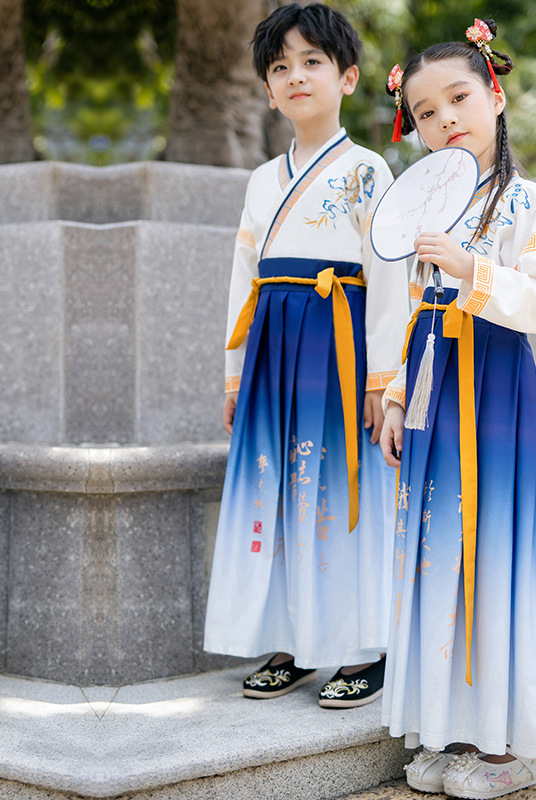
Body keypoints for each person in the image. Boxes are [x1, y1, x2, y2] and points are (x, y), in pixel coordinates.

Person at [379, 18, 536, 798]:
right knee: (437, 553)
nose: (445, 119)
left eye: (459, 96)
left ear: (495, 94)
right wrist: (396, 398)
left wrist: (472, 270)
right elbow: (413, 315)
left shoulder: (524, 201)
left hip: (494, 388)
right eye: (425, 112)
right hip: (434, 392)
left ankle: (515, 746)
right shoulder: (421, 212)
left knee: (492, 550)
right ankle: (450, 729)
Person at [203, 2, 409, 710]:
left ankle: (360, 647)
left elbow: (388, 280)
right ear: (266, 88)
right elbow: (244, 281)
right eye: (280, 67)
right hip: (273, 351)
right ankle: (294, 641)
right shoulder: (264, 179)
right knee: (279, 491)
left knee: (340, 494)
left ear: (348, 77)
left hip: (339, 347)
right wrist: (235, 374)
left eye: (313, 62)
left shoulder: (369, 170)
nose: (296, 77)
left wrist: (388, 382)